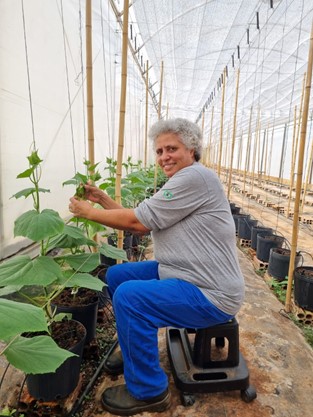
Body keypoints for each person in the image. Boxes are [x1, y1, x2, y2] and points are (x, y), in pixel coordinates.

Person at [69, 118, 245, 416]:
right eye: (160, 150)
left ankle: (149, 391)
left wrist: (88, 213)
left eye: (172, 148)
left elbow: (136, 223)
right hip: (184, 272)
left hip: (211, 292)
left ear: (192, 149)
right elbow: (143, 224)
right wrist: (101, 199)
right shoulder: (184, 179)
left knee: (130, 297)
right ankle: (133, 352)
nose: (164, 156)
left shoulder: (195, 178)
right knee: (117, 274)